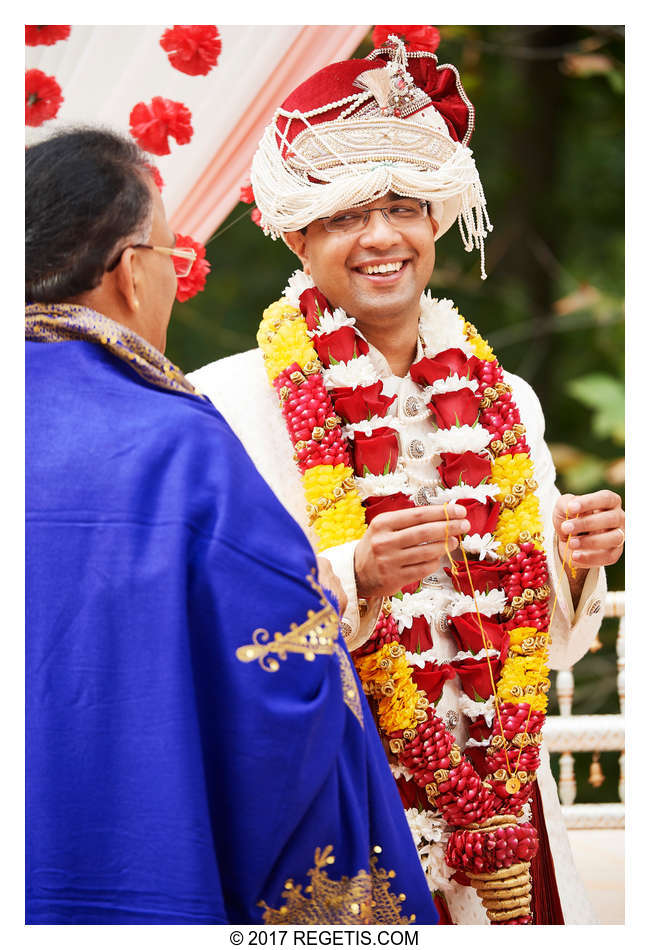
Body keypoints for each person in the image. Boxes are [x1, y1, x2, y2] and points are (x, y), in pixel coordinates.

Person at [190, 31, 625, 925]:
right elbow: (207, 621)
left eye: (403, 206)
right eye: (347, 214)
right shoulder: (226, 403)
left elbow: (545, 645)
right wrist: (358, 577)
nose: (382, 236)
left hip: (501, 797)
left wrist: (575, 562)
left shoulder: (507, 397)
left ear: (437, 222)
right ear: (297, 235)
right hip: (334, 792)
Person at [25, 127, 441, 925]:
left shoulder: (506, 396)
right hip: (141, 870)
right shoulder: (178, 437)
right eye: (169, 257)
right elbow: (285, 680)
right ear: (126, 271)